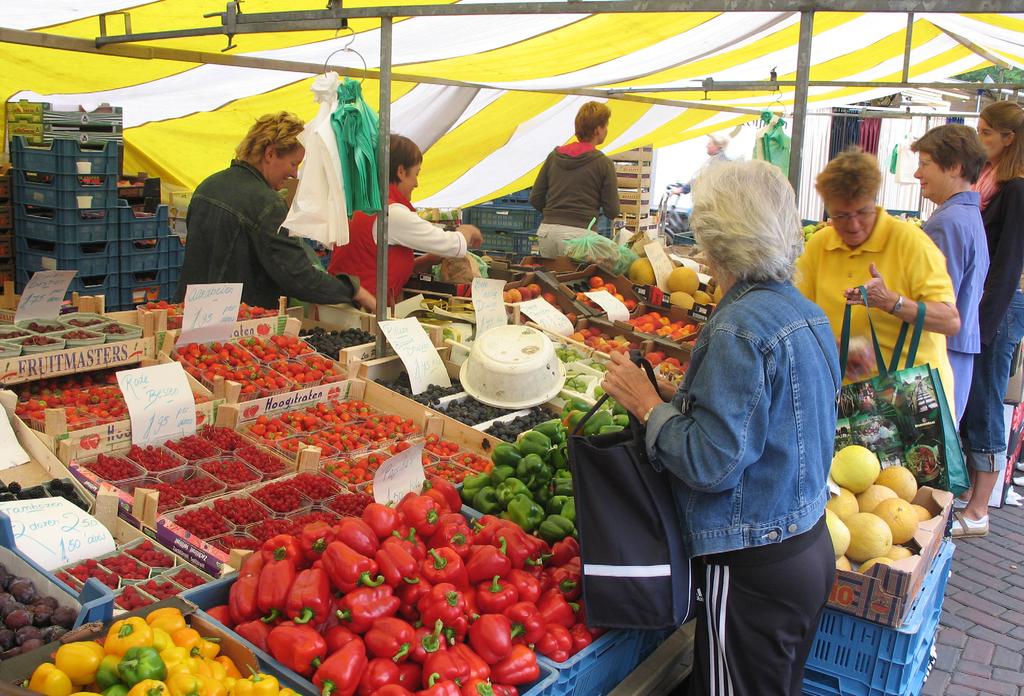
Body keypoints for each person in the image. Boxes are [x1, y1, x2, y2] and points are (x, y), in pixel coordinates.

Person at [601, 160, 839, 696]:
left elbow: (713, 464)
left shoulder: (739, 325)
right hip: (806, 546)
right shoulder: (804, 312)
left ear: (717, 243)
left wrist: (646, 407)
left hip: (753, 565)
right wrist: (674, 397)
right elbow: (774, 418)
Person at [795, 149, 960, 406]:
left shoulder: (911, 243)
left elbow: (950, 320)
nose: (853, 225)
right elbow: (798, 315)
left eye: (862, 212)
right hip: (850, 403)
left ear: (875, 201)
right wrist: (835, 347)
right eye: (841, 215)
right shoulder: (819, 246)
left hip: (912, 399)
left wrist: (892, 302)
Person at [176, 111, 375, 312]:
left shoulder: (207, 187)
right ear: (270, 154)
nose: (294, 173)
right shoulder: (267, 204)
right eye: (293, 163)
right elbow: (300, 278)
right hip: (237, 324)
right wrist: (353, 290)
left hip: (190, 314)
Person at [953, 101, 1024, 538]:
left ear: (1008, 138)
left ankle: (979, 508)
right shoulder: (993, 181)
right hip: (986, 305)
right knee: (977, 396)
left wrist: (985, 323)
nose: (979, 140)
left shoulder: (1015, 190)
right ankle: (970, 498)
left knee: (985, 399)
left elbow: (1007, 263)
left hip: (999, 306)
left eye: (985, 132)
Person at [328, 134, 483, 306]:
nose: (416, 183)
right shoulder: (391, 213)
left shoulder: (365, 205)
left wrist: (428, 260)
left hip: (342, 306)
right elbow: (453, 245)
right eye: (416, 174)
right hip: (358, 312)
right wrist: (468, 231)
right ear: (401, 172)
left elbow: (378, 264)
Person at [911, 124, 990, 422]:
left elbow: (941, 309)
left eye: (925, 164)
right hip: (957, 356)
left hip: (939, 359)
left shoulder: (948, 223)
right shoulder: (967, 216)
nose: (918, 174)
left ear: (954, 167)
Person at [530, 101, 620, 257]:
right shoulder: (603, 162)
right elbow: (612, 211)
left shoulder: (554, 157)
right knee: (575, 281)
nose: (606, 130)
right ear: (598, 129)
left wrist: (555, 213)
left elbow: (536, 198)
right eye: (605, 126)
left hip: (547, 233)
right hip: (579, 236)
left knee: (548, 280)